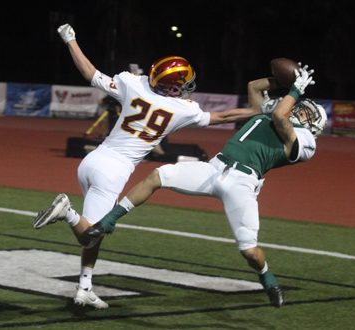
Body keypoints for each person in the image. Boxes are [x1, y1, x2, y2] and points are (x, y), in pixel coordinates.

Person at [32, 23, 266, 310]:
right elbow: (223, 116)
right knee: (92, 231)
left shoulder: (134, 83)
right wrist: (263, 109)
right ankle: (67, 213)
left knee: (93, 235)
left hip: (93, 160)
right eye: (182, 83)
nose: (186, 87)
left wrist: (70, 39)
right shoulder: (182, 109)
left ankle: (84, 287)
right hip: (115, 169)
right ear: (171, 86)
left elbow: (90, 73)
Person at [84, 64, 326, 308]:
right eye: (301, 107)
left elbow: (279, 115)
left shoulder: (305, 141)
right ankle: (108, 221)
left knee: (249, 250)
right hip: (215, 167)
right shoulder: (272, 114)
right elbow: (256, 86)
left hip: (242, 182)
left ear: (314, 127)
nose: (300, 110)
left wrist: (295, 89)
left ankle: (268, 278)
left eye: (307, 113)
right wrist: (286, 80)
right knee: (158, 175)